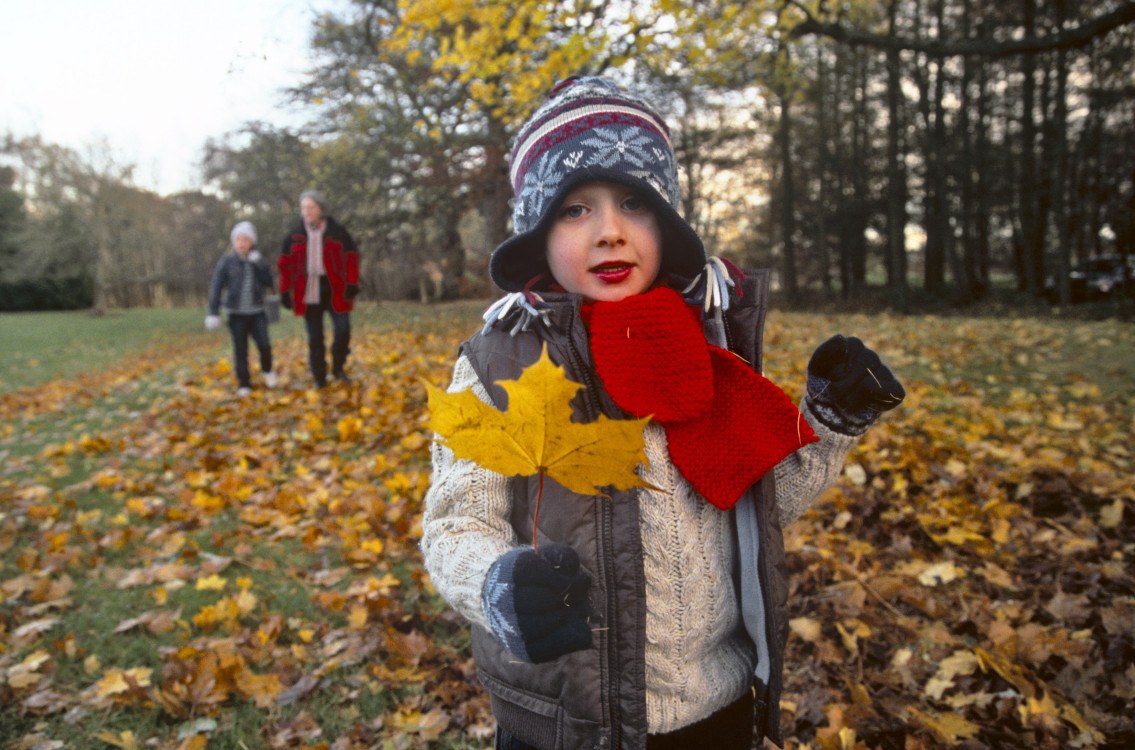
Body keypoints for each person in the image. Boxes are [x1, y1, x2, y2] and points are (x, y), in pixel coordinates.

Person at [420, 77, 906, 750]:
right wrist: (497, 585)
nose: (609, 231)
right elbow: (456, 523)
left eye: (631, 203)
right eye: (574, 210)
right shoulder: (497, 364)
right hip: (567, 718)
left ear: (668, 223)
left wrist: (830, 423)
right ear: (536, 232)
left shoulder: (703, 349)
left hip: (713, 705)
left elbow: (756, 507)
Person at [277, 190, 360, 387]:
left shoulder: (338, 232)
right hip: (308, 291)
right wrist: (284, 291)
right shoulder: (294, 236)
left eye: (311, 207)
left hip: (335, 289)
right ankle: (319, 377)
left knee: (343, 330)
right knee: (315, 337)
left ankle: (338, 367)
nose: (307, 211)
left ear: (321, 209)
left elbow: (351, 258)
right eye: (304, 208)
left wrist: (352, 282)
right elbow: (284, 266)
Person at [206, 221, 277, 396]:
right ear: (234, 242)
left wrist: (260, 264)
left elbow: (269, 283)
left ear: (251, 242)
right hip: (236, 314)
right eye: (238, 239)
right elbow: (216, 286)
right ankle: (244, 383)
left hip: (257, 312)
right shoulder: (226, 262)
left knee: (264, 345)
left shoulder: (258, 260)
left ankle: (267, 370)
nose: (241, 243)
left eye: (245, 239)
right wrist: (213, 312)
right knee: (240, 349)